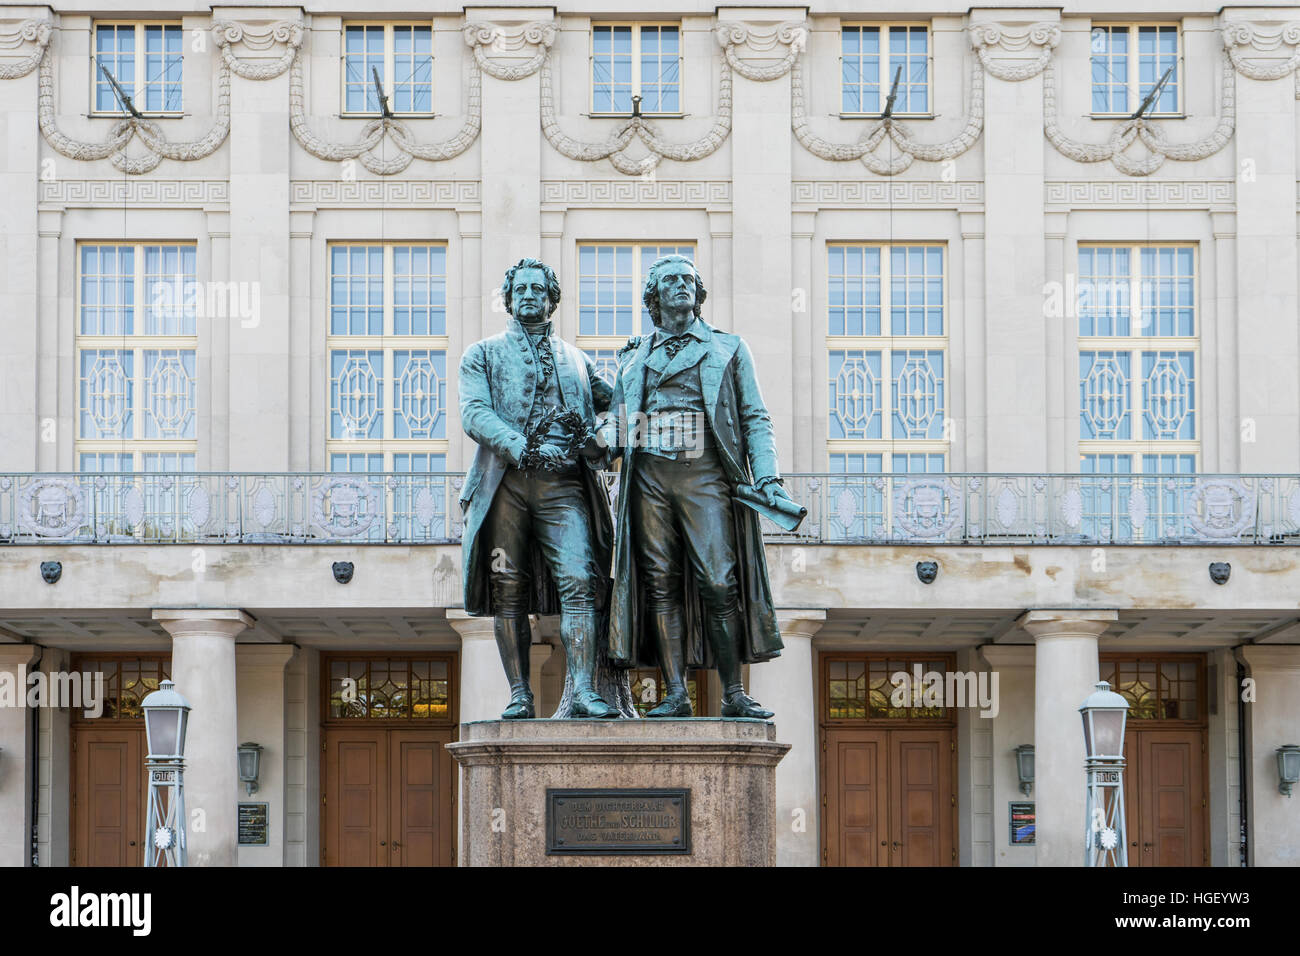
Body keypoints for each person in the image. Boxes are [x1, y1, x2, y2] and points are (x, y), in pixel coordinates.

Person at [604, 255, 796, 718]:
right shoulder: (634, 355)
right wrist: (601, 440)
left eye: (688, 280)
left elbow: (755, 418)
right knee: (660, 583)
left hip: (704, 472)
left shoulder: (728, 347)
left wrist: (766, 476)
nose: (681, 286)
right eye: (670, 280)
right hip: (648, 474)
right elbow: (617, 417)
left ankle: (733, 692)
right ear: (654, 296)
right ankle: (675, 693)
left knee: (719, 580)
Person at [458, 257, 618, 719]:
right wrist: (521, 447)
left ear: (552, 299)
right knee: (508, 587)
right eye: (521, 289)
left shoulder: (578, 360)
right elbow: (473, 413)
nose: (529, 295)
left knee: (581, 581)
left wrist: (598, 438)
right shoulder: (482, 354)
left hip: (564, 487)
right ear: (508, 299)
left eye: (538, 289)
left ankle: (585, 691)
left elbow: (618, 408)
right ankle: (519, 693)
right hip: (505, 484)